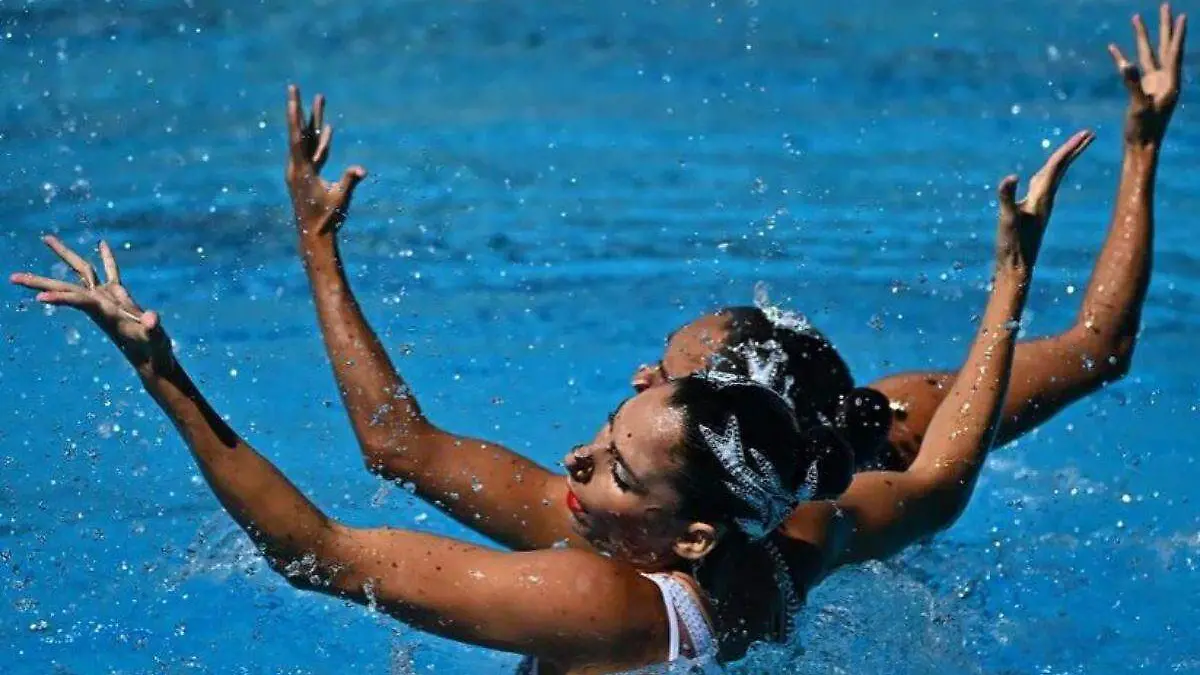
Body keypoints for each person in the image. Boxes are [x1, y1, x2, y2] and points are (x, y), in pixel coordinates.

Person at [9, 120, 1073, 669]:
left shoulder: (603, 603)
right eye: (608, 434)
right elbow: (938, 482)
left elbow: (314, 556)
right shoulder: (788, 540)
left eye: (613, 467)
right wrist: (1011, 282)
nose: (573, 465)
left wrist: (161, 370)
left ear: (686, 535)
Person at [286, 5, 1183, 563]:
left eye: (666, 373)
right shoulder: (877, 436)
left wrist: (319, 249)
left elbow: (399, 447)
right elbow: (1097, 347)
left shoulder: (609, 527)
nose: (643, 379)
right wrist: (1141, 149)